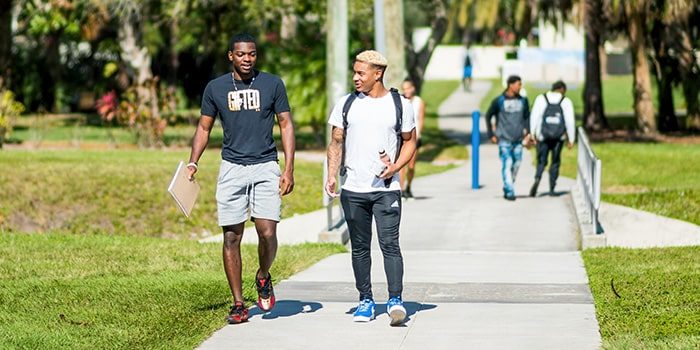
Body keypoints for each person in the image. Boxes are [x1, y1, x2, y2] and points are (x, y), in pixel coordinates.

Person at [186, 33, 295, 324]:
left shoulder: (272, 83)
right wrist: (193, 162)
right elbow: (204, 127)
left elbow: (285, 124)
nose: (247, 59)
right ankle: (238, 304)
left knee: (267, 232)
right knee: (231, 236)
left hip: (265, 166)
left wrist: (288, 169)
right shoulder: (216, 88)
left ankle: (263, 275)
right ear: (230, 56)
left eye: (252, 54)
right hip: (232, 168)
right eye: (242, 54)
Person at [325, 50, 416, 326]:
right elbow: (336, 143)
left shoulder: (400, 104)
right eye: (354, 72)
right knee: (360, 248)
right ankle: (365, 300)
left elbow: (410, 142)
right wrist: (331, 176)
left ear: (378, 74)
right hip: (353, 188)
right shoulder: (346, 104)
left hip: (386, 189)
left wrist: (396, 167)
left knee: (390, 244)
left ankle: (395, 301)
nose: (355, 77)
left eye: (361, 73)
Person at [485, 75, 530, 201]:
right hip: (504, 139)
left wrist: (528, 133)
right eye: (518, 84)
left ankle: (508, 184)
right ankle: (510, 190)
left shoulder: (523, 101)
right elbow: (488, 115)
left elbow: (527, 117)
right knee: (507, 162)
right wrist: (491, 134)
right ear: (510, 85)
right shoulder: (499, 101)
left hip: (518, 139)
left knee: (517, 164)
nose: (520, 87)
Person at [528, 80, 575, 196]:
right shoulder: (566, 101)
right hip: (558, 138)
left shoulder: (541, 98)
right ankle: (552, 187)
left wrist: (532, 133)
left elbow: (534, 116)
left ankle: (538, 177)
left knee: (541, 160)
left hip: (542, 136)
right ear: (562, 89)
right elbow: (570, 121)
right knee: (555, 162)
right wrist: (571, 139)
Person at [399, 78, 425, 199]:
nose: (406, 91)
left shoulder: (419, 102)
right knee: (401, 165)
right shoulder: (401, 101)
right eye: (404, 89)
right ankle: (401, 188)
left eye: (408, 88)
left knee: (411, 165)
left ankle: (409, 186)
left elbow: (421, 119)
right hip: (403, 137)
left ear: (413, 88)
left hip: (414, 138)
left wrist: (418, 135)